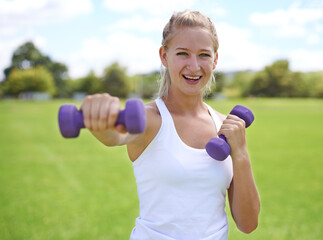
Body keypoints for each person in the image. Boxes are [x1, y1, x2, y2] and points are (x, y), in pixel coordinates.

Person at [80, 10, 260, 240]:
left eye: (203, 55)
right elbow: (114, 137)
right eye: (183, 53)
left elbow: (248, 223)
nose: (194, 66)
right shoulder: (149, 118)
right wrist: (99, 120)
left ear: (215, 59)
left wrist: (241, 153)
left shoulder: (225, 127)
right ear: (164, 57)